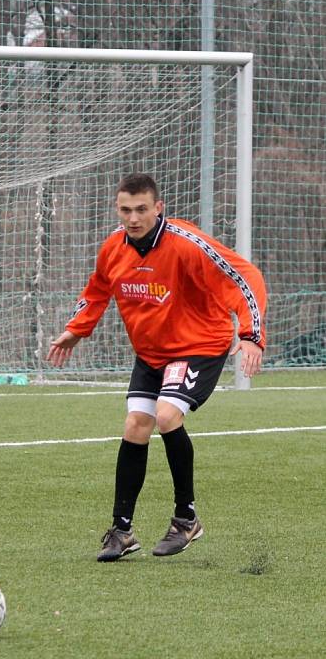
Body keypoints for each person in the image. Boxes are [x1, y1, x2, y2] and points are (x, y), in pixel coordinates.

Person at [47, 173, 267, 562]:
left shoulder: (186, 244)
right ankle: (121, 530)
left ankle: (186, 520)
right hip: (151, 352)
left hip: (200, 344)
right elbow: (97, 290)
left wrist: (251, 334)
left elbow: (244, 276)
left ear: (158, 207)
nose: (133, 218)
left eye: (142, 209)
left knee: (166, 416)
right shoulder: (114, 248)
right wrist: (75, 331)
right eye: (126, 210)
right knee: (135, 425)